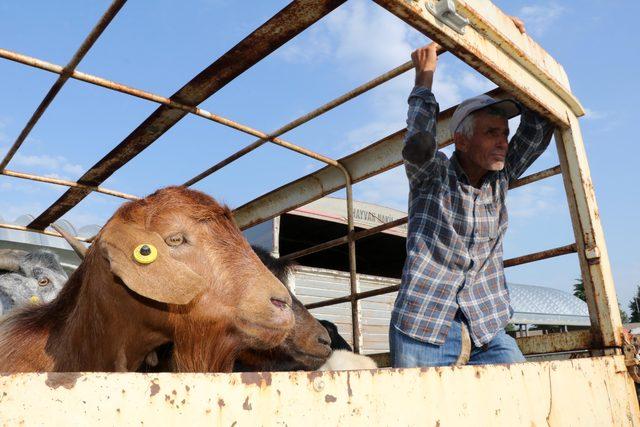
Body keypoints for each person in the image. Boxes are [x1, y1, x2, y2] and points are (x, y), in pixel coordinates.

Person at [389, 42, 554, 367]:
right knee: (425, 414)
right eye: (492, 132)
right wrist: (424, 78)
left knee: (521, 397)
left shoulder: (501, 176)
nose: (503, 142)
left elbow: (536, 127)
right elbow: (418, 139)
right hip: (425, 324)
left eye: (505, 133)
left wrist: (512, 50)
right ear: (461, 141)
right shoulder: (431, 174)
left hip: (487, 323)